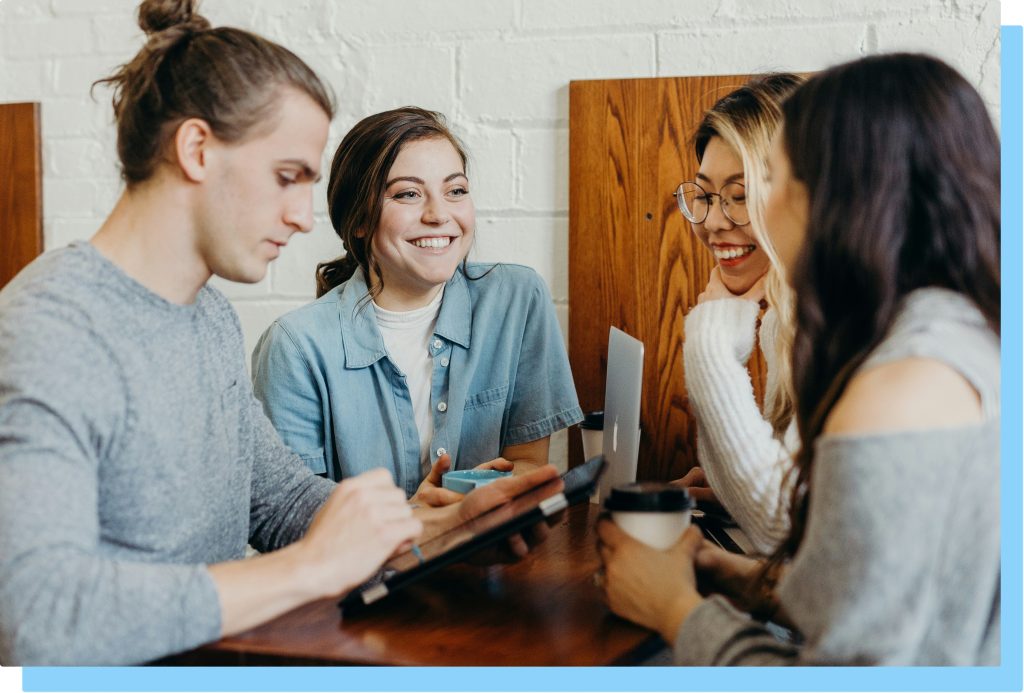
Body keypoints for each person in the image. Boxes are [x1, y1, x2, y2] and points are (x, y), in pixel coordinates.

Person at [0, 0, 558, 666]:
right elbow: (35, 616)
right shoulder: (49, 329)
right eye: (287, 177)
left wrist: (435, 531)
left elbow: (283, 500)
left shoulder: (205, 316)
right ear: (197, 148)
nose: (302, 217)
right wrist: (310, 569)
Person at [598, 52, 1000, 665]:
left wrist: (676, 611)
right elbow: (878, 598)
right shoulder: (950, 333)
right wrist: (739, 578)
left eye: (773, 179)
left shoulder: (900, 385)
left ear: (843, 195)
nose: (736, 216)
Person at [251, 106, 583, 506]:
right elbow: (294, 518)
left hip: (489, 559)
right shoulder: (295, 346)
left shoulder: (517, 299)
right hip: (367, 568)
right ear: (358, 219)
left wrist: (475, 499)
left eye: (455, 191)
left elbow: (528, 463)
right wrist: (417, 519)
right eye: (408, 194)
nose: (439, 215)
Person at [673, 74, 803, 554]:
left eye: (741, 194)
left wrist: (710, 341)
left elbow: (781, 528)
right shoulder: (784, 318)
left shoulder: (842, 323)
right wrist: (731, 488)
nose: (712, 221)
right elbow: (793, 508)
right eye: (704, 195)